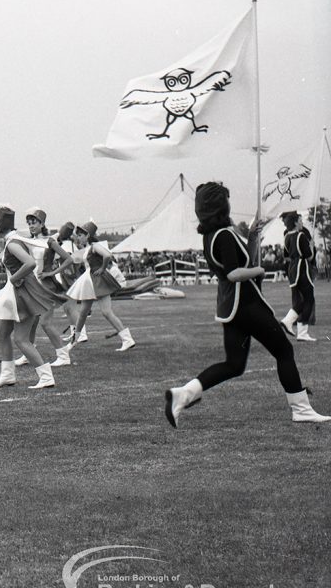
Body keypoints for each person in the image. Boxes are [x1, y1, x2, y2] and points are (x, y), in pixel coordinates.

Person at [165, 183, 330, 427]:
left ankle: (184, 394)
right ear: (221, 206)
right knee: (284, 351)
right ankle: (301, 409)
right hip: (246, 305)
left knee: (234, 364)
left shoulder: (212, 236)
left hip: (231, 307)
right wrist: (259, 269)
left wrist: (253, 237)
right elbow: (234, 272)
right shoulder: (225, 235)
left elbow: (240, 263)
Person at [0, 206, 68, 390]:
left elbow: (29, 264)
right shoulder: (13, 240)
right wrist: (2, 277)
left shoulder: (13, 243)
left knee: (21, 339)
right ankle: (7, 375)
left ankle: (46, 376)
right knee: (1, 331)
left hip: (22, 294)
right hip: (16, 292)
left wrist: (13, 278)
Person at [66, 220, 135, 351]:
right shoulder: (87, 248)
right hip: (90, 282)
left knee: (106, 312)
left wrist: (103, 268)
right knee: (83, 313)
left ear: (88, 235)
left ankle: (127, 339)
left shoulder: (95, 246)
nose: (78, 237)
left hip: (97, 280)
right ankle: (75, 339)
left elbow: (108, 255)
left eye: (81, 235)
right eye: (78, 235)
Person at [278, 210, 317, 342]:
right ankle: (299, 329)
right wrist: (311, 246)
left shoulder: (286, 237)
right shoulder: (301, 236)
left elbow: (286, 255)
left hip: (293, 269)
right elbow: (309, 256)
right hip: (302, 268)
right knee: (309, 299)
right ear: (295, 223)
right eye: (300, 221)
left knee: (300, 300)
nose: (302, 223)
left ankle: (290, 322)